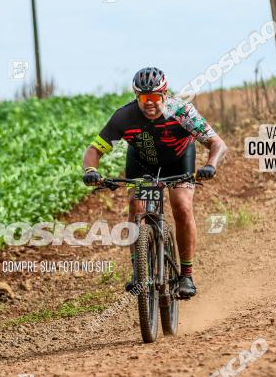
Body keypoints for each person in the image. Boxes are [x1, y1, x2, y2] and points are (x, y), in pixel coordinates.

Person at [81, 67, 228, 298]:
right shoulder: (124, 117)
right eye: (143, 98)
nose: (149, 103)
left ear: (164, 95)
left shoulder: (182, 111)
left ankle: (186, 275)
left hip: (179, 162)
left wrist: (211, 165)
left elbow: (217, 143)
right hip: (142, 165)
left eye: (154, 97)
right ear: (136, 96)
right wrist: (90, 170)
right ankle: (138, 271)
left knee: (181, 205)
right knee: (136, 206)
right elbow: (93, 150)